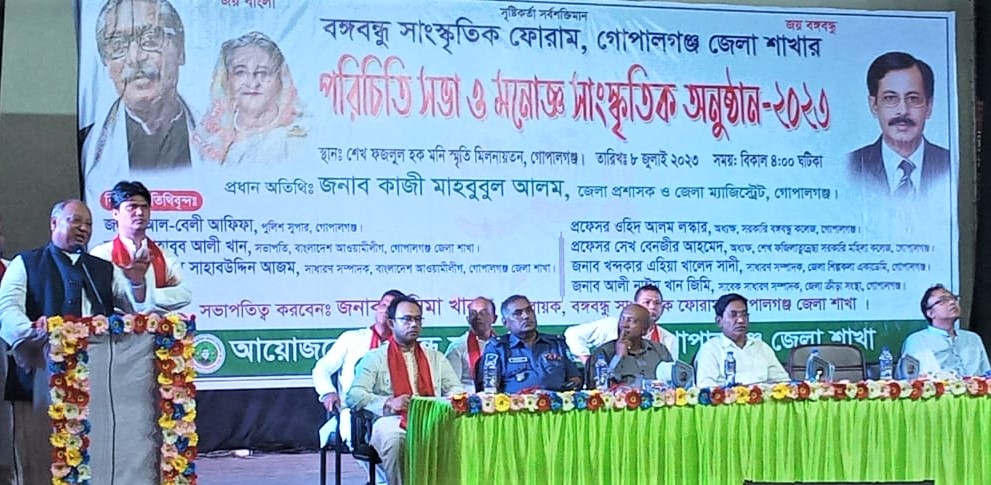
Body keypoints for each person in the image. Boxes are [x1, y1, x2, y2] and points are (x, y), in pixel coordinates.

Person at [0, 200, 153, 484]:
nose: (83, 228)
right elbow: (7, 310)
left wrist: (136, 282)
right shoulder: (26, 263)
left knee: (97, 454)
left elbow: (136, 312)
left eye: (89, 224)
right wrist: (32, 331)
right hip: (41, 376)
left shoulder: (103, 269)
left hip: (100, 380)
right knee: (41, 457)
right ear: (54, 223)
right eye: (75, 221)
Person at [81, 0, 198, 207]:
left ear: (180, 50)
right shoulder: (87, 145)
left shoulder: (222, 140)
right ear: (106, 63)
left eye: (150, 39)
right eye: (118, 45)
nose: (135, 57)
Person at [346, 296, 462, 485]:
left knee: (461, 435)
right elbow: (354, 395)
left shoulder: (436, 357)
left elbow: (455, 388)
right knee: (396, 441)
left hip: (431, 418)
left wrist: (452, 398)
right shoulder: (374, 358)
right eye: (407, 319)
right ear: (391, 323)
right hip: (391, 420)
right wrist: (388, 402)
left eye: (418, 319)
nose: (413, 324)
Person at [195, 31, 308, 167]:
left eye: (263, 73)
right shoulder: (208, 138)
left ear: (280, 80)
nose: (252, 83)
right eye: (240, 72)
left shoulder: (300, 139)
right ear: (226, 80)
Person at [847, 51, 949, 198]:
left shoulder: (951, 164)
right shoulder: (851, 165)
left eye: (913, 99)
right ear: (874, 106)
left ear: (929, 106)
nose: (903, 111)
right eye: (890, 98)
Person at [311, 289, 405, 450]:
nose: (385, 310)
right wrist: (328, 392)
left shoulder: (403, 346)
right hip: (354, 412)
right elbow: (322, 368)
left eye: (391, 307)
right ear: (377, 307)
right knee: (362, 438)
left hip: (389, 411)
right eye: (383, 305)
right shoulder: (352, 338)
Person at [90, 180, 191, 313]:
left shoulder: (164, 255)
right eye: (132, 207)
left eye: (144, 207)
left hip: (157, 326)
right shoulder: (101, 255)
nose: (139, 212)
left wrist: (147, 293)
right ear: (115, 213)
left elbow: (185, 294)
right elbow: (105, 298)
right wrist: (158, 292)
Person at [482, 295, 582, 394]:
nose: (526, 316)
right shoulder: (498, 348)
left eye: (529, 310)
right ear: (505, 323)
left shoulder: (556, 344)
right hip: (516, 403)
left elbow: (575, 378)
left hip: (556, 402)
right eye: (518, 313)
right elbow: (490, 389)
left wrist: (563, 390)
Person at [695, 293, 789, 388]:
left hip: (762, 396)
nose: (740, 320)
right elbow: (705, 386)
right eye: (733, 315)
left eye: (744, 315)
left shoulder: (761, 347)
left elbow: (783, 381)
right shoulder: (711, 349)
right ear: (719, 321)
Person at [565, 284, 678, 361]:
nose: (652, 307)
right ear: (635, 305)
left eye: (657, 303)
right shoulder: (610, 326)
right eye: (647, 302)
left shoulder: (669, 339)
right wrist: (588, 363)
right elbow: (572, 334)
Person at [901, 285, 990, 377]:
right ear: (930, 313)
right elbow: (911, 379)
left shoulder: (973, 338)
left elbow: (987, 374)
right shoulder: (917, 340)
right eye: (943, 300)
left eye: (954, 298)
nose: (952, 302)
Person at [586, 304, 673, 388]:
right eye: (622, 319)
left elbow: (673, 380)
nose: (624, 325)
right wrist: (618, 357)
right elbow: (598, 387)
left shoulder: (660, 350)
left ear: (644, 330)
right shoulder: (603, 352)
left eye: (630, 320)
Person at [444, 296, 498, 389]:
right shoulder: (458, 347)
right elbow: (451, 385)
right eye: (473, 313)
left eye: (483, 313)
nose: (478, 317)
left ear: (494, 318)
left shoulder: (502, 345)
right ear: (468, 319)